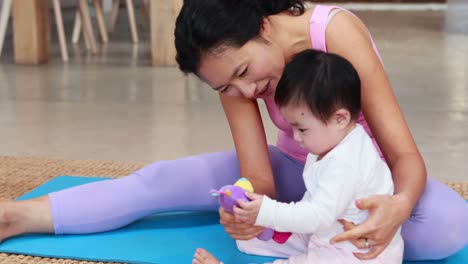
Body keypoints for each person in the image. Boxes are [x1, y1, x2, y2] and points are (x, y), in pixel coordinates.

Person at [0, 0, 466, 261]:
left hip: (366, 182)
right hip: (295, 172)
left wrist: (396, 208)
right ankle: (19, 216)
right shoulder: (231, 78)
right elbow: (258, 177)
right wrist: (244, 203)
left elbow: (403, 155)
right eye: (227, 86)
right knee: (158, 181)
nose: (245, 89)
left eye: (244, 71)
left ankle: (311, 228)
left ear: (263, 25)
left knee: (447, 224)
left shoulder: (334, 34)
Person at [192, 49, 405, 264]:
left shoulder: (345, 162)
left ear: (340, 118)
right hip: (330, 229)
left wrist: (267, 211)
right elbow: (313, 199)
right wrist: (267, 218)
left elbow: (318, 215)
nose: (295, 138)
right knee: (250, 239)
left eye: (301, 130)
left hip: (355, 252)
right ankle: (280, 234)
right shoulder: (332, 142)